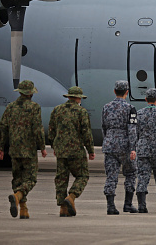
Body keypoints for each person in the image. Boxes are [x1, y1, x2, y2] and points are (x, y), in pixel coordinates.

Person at [0, 80, 47, 219]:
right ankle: (17, 196)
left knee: (17, 179)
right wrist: (42, 147)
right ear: (31, 93)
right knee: (31, 179)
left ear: (19, 92)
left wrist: (0, 148)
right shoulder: (34, 107)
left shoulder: (11, 107)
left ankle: (24, 209)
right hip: (28, 150)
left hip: (14, 150)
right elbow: (37, 129)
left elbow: (3, 127)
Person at [48, 86, 95, 217]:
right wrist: (90, 150)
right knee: (83, 176)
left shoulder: (57, 110)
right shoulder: (82, 112)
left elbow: (51, 131)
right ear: (79, 98)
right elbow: (86, 133)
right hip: (76, 151)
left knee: (61, 178)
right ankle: (71, 197)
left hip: (61, 150)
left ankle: (63, 208)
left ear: (68, 97)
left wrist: (54, 146)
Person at [101, 80, 138, 215]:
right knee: (131, 173)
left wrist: (108, 140)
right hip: (124, 146)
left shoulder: (106, 107)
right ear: (127, 92)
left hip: (109, 145)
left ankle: (110, 206)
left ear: (114, 91)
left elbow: (103, 127)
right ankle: (127, 204)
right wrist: (133, 148)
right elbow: (132, 130)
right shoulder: (130, 108)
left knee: (111, 176)